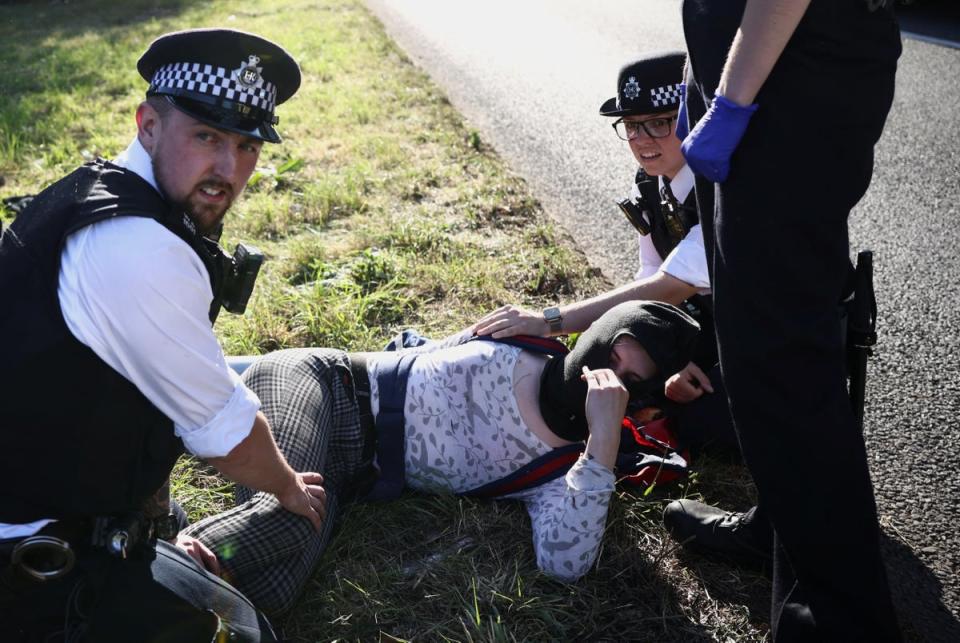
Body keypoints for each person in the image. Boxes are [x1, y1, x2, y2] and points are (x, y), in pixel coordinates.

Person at [0, 28, 326, 642]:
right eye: (206, 137)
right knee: (246, 631)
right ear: (149, 124)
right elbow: (226, 441)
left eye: (246, 146)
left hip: (59, 488)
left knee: (190, 550)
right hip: (28, 554)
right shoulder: (137, 247)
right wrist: (288, 488)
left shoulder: (98, 189)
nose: (228, 170)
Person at [181, 301, 699, 613]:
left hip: (345, 475)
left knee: (274, 588)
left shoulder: (562, 471)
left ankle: (160, 562)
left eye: (627, 382)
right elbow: (405, 354)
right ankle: (125, 574)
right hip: (325, 387)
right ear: (595, 335)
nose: (604, 378)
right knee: (289, 521)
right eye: (609, 355)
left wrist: (604, 443)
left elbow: (564, 564)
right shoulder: (521, 338)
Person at [671, 0, 902, 640]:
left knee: (780, 358)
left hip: (788, 70)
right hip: (756, 65)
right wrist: (707, 73)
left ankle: (843, 623)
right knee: (754, 337)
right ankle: (784, 527)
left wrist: (733, 98)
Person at [474, 51, 735, 452]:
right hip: (701, 324)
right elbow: (649, 276)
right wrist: (668, 355)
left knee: (705, 429)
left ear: (691, 120)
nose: (642, 140)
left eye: (659, 123)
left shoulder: (717, 189)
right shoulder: (650, 184)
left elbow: (667, 288)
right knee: (599, 374)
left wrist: (549, 322)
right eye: (631, 126)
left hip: (755, 333)